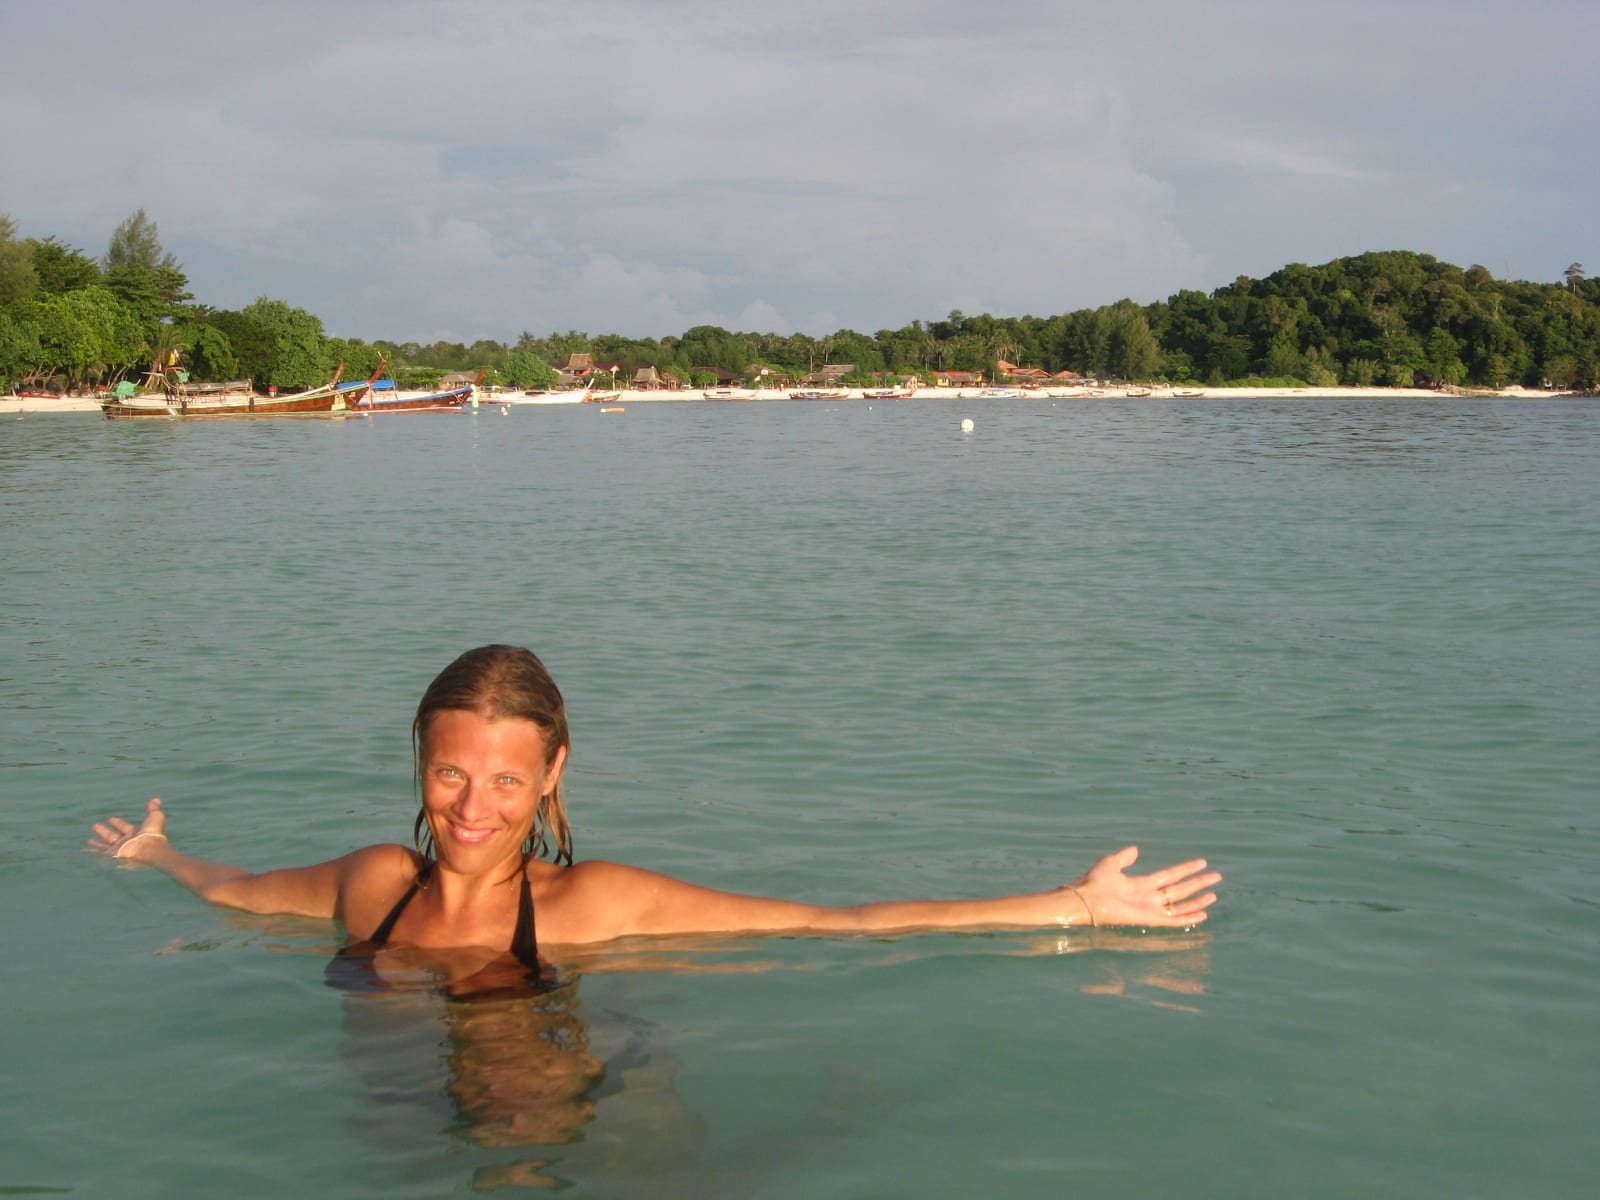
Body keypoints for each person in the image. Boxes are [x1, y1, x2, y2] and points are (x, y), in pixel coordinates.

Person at [89, 645, 1221, 988]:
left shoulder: (593, 906)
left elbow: (842, 924)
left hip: (559, 1117)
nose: (474, 808)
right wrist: (158, 852)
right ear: (419, 766)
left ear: (553, 774)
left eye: (506, 781)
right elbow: (234, 890)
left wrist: (1071, 905)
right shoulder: (372, 884)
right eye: (450, 776)